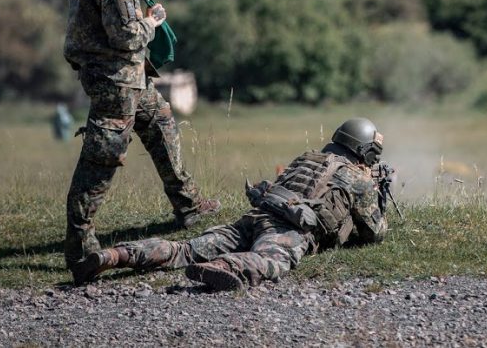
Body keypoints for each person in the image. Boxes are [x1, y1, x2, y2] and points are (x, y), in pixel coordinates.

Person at [63, 0, 219, 284]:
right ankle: (80, 244)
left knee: (162, 120)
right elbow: (126, 36)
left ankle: (189, 206)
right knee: (102, 159)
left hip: (128, 78)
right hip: (116, 78)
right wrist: (152, 20)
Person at [73, 117, 393, 291]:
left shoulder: (310, 157)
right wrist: (377, 195)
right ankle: (226, 267)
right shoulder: (357, 177)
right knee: (271, 261)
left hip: (256, 216)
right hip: (288, 228)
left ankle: (116, 255)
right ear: (365, 153)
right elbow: (374, 233)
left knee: (185, 249)